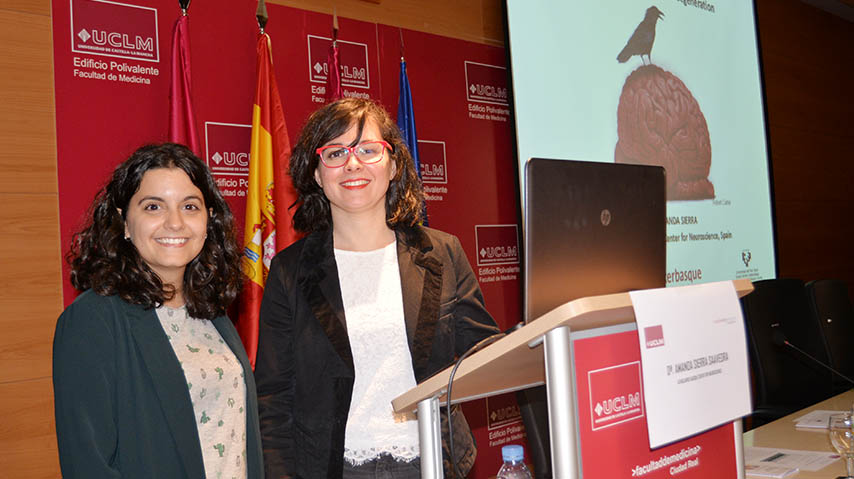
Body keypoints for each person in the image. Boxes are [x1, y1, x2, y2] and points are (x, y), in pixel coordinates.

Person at [255, 98, 500, 479]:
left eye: (368, 150)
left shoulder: (443, 252)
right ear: (318, 175)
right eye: (335, 153)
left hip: (433, 462)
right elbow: (273, 398)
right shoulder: (289, 271)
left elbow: (484, 356)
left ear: (394, 164)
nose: (353, 163)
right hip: (333, 468)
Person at [53, 143, 264, 478]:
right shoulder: (93, 321)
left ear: (209, 219)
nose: (175, 223)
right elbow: (88, 465)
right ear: (123, 221)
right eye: (154, 207)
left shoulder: (211, 312)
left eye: (190, 206)